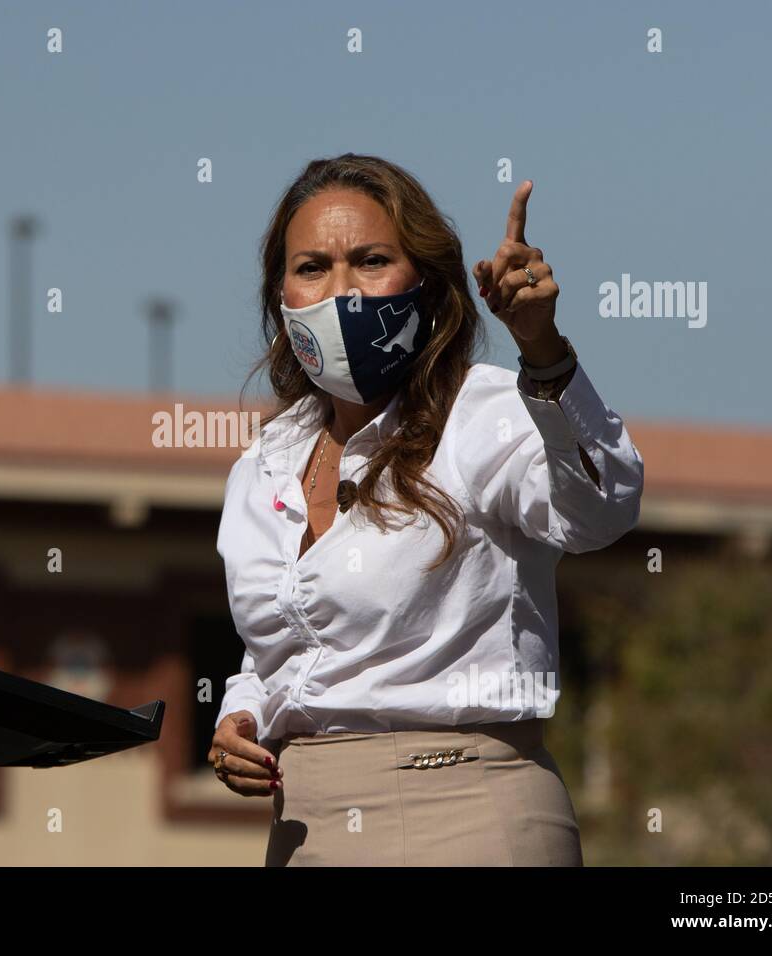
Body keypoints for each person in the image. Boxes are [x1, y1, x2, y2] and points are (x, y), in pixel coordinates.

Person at [208, 154, 644, 866]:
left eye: (371, 260)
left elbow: (602, 509)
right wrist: (241, 716)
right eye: (313, 267)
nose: (341, 292)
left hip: (464, 812)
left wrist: (544, 350)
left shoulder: (486, 414)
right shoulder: (266, 462)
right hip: (304, 829)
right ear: (280, 295)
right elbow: (287, 646)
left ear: (428, 285)